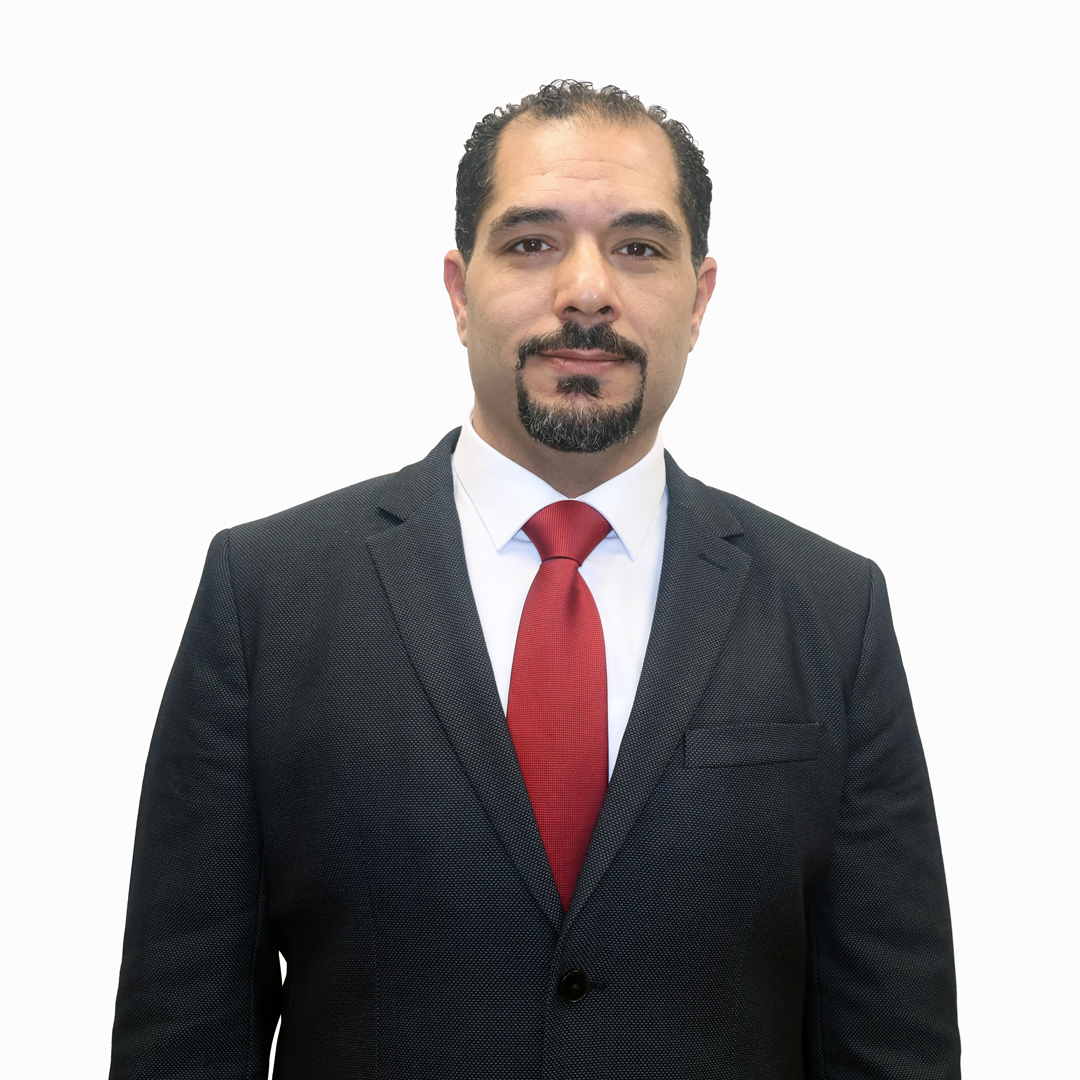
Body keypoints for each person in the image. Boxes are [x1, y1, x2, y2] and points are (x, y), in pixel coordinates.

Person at [110, 81, 960, 1079]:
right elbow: (184, 1032)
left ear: (699, 299)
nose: (587, 291)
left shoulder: (831, 612)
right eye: (531, 243)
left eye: (638, 247)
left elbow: (891, 1043)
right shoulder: (266, 597)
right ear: (459, 290)